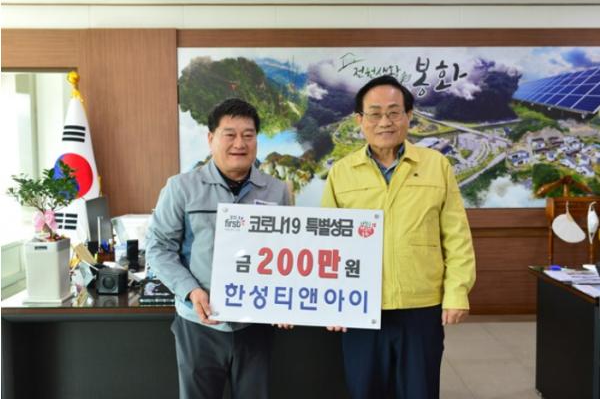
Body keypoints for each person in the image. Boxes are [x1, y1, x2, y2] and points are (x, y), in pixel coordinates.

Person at [321, 75, 476, 399]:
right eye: (375, 114)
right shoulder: (341, 172)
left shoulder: (436, 165)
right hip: (360, 306)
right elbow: (328, 244)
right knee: (364, 391)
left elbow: (457, 235)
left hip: (421, 305)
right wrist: (330, 302)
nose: (385, 122)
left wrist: (457, 292)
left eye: (394, 112)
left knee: (419, 390)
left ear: (409, 116)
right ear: (359, 120)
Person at [146, 98, 292, 399]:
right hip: (199, 322)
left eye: (248, 135)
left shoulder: (277, 191)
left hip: (255, 323)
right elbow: (158, 248)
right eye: (230, 134)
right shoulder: (181, 187)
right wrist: (190, 291)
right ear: (211, 138)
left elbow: (288, 251)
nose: (240, 143)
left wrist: (288, 299)